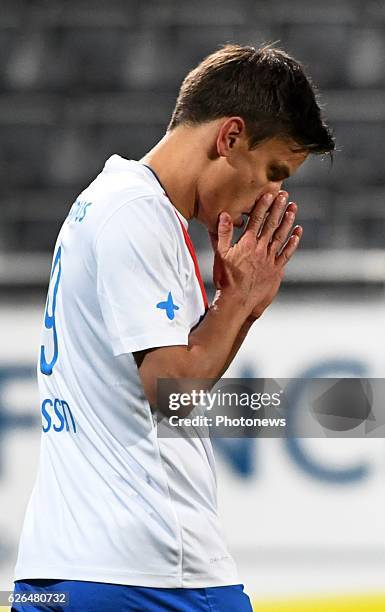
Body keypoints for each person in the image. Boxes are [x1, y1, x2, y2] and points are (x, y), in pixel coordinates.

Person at [12, 44, 334, 611]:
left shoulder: (113, 204)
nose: (274, 196)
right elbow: (175, 393)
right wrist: (235, 306)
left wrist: (242, 305)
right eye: (274, 171)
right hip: (149, 575)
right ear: (230, 137)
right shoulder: (135, 213)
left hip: (65, 571)